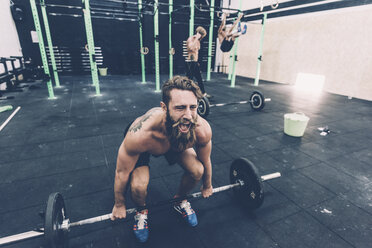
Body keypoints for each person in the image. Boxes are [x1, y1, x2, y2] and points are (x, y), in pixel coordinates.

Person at [111, 75, 213, 243]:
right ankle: (141, 211)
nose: (188, 115)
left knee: (198, 171)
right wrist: (119, 204)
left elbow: (205, 160)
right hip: (151, 143)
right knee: (138, 186)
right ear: (164, 108)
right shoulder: (139, 135)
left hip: (175, 142)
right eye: (180, 107)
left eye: (193, 107)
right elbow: (121, 173)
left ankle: (180, 199)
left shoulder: (201, 130)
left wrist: (207, 184)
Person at [185, 26, 211, 98]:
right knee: (189, 80)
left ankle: (203, 93)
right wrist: (196, 38)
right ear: (198, 33)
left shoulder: (198, 41)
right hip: (190, 62)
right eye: (201, 36)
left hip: (195, 62)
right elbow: (190, 48)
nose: (201, 37)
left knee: (199, 79)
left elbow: (196, 52)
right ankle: (185, 94)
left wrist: (197, 62)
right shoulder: (191, 39)